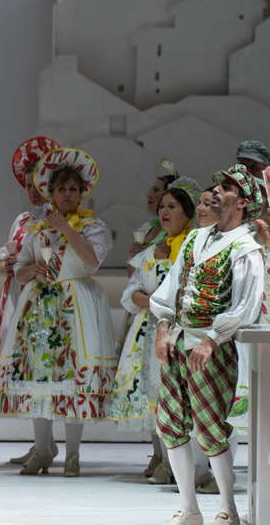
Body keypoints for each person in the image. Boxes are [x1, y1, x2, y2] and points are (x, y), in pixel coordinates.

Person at [150, 164, 264, 525]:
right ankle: (190, 508)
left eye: (227, 187)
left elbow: (245, 305)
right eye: (218, 185)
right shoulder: (198, 239)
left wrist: (213, 338)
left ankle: (227, 506)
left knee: (211, 426)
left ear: (243, 202)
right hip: (180, 341)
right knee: (169, 422)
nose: (218, 191)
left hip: (211, 345)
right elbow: (170, 288)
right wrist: (164, 326)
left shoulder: (246, 247)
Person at [0, 147, 115, 477]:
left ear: (82, 193)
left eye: (73, 189)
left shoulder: (92, 226)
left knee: (73, 377)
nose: (67, 194)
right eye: (61, 189)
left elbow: (92, 261)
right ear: (52, 192)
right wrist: (31, 271)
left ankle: (73, 453)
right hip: (40, 309)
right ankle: (43, 449)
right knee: (39, 376)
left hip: (75, 305)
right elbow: (18, 269)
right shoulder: (36, 228)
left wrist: (66, 229)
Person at [108, 178, 198, 482]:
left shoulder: (194, 247)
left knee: (178, 394)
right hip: (148, 331)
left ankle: (182, 461)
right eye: (162, 206)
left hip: (181, 329)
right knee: (152, 392)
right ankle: (159, 455)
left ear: (187, 212)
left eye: (172, 206)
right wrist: (149, 301)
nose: (164, 211)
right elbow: (130, 292)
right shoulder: (152, 252)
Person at [0, 136, 59, 466]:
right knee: (31, 370)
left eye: (40, 179)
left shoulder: (61, 218)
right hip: (19, 298)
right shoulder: (22, 220)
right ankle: (42, 442)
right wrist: (8, 265)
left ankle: (55, 445)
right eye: (28, 180)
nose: (33, 187)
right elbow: (11, 255)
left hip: (49, 301)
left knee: (49, 370)